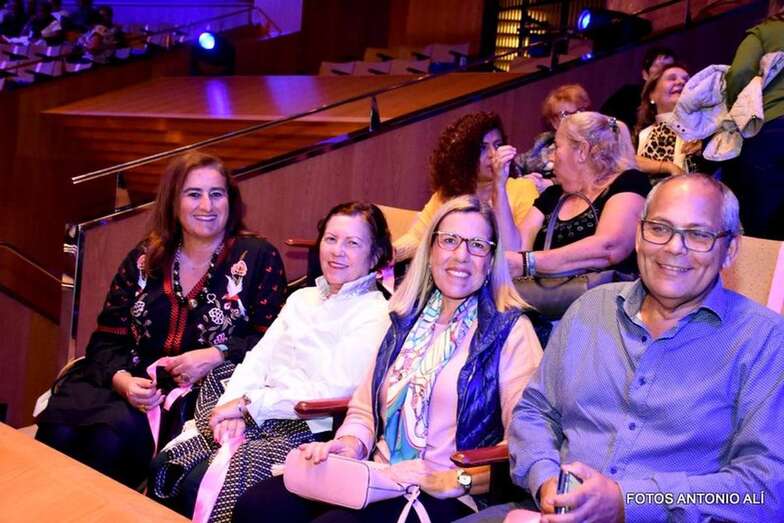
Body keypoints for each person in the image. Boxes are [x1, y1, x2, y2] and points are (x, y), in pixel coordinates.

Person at [466, 174, 784, 523]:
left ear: (730, 250)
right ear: (638, 236)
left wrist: (629, 502)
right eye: (659, 228)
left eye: (698, 235)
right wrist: (547, 481)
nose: (674, 247)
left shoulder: (764, 341)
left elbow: (764, 489)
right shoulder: (590, 310)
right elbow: (535, 411)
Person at [233, 195, 544, 523]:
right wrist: (350, 444)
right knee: (257, 506)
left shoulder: (510, 331)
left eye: (477, 245)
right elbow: (363, 409)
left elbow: (529, 439)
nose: (461, 255)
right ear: (431, 250)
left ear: (491, 259)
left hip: (447, 492)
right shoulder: (403, 319)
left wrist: (462, 479)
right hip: (378, 476)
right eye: (449, 240)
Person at [35, 152, 287, 488]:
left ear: (231, 200)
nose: (207, 206)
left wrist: (218, 354)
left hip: (198, 395)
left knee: (107, 441)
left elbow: (276, 342)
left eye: (216, 194)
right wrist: (121, 381)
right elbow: (106, 339)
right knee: (58, 429)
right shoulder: (145, 257)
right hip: (130, 381)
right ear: (173, 201)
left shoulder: (257, 257)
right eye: (193, 194)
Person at [149, 202, 394, 522]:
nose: (337, 251)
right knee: (167, 466)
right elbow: (257, 359)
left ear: (375, 255)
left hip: (307, 427)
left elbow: (333, 390)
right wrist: (231, 408)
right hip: (256, 410)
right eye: (331, 239)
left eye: (353, 243)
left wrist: (248, 405)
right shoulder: (302, 298)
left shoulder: (376, 312)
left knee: (200, 484)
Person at [508, 112, 650, 276]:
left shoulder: (628, 182)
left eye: (556, 147)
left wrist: (531, 262)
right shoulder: (552, 195)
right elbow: (516, 252)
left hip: (605, 292)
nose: (551, 158)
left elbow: (609, 248)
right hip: (547, 293)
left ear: (582, 150)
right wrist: (499, 189)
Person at [393, 112, 538, 262]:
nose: (493, 154)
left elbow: (515, 255)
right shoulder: (447, 194)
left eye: (498, 145)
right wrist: (390, 253)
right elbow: (417, 237)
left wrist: (499, 186)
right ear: (463, 156)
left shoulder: (522, 188)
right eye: (482, 148)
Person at [721, 0, 784, 240]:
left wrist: (735, 109)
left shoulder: (765, 31)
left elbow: (740, 71)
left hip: (771, 130)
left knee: (763, 228)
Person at [634, 63, 708, 182]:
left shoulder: (707, 127)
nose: (681, 82)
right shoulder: (641, 136)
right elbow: (624, 162)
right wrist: (667, 167)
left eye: (686, 80)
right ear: (652, 95)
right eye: (672, 78)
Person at [512, 84, 592, 191]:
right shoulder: (545, 142)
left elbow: (588, 176)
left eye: (580, 111)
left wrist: (551, 183)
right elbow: (516, 166)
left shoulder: (592, 145)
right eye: (566, 114)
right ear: (554, 122)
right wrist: (525, 179)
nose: (574, 118)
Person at [601, 46, 676, 132]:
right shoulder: (628, 94)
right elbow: (606, 116)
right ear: (645, 75)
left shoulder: (679, 97)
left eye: (668, 67)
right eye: (657, 67)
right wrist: (618, 133)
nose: (663, 72)